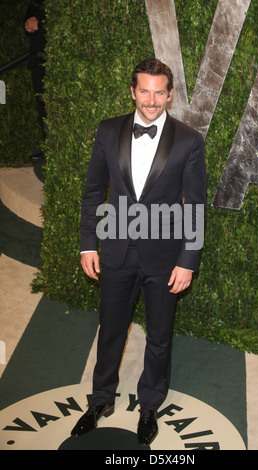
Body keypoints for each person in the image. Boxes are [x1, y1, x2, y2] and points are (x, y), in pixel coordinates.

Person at [71, 58, 206, 446]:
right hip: (115, 251)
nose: (151, 100)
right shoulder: (108, 130)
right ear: (132, 91)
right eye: (143, 91)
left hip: (165, 258)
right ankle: (100, 401)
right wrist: (86, 243)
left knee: (160, 336)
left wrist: (188, 260)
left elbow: (195, 205)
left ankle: (149, 405)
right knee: (111, 329)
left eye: (159, 92)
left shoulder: (188, 140)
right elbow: (94, 191)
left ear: (170, 94)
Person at [25, 0, 46, 161]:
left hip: (52, 59)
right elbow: (29, 15)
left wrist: (40, 24)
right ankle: (48, 147)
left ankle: (52, 148)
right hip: (37, 59)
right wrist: (28, 24)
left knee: (51, 107)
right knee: (42, 107)